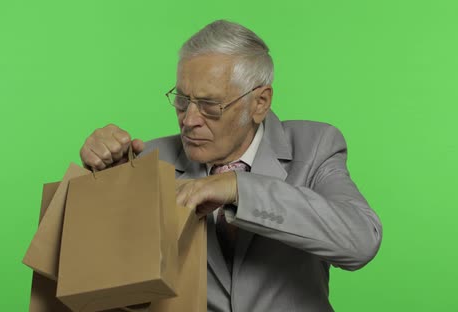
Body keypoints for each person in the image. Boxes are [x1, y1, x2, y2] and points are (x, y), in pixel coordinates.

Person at [80, 19, 382, 312]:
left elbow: (361, 241)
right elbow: (108, 284)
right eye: (182, 100)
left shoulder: (315, 146)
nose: (189, 120)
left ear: (260, 103)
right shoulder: (151, 158)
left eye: (210, 105)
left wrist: (240, 189)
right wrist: (111, 185)